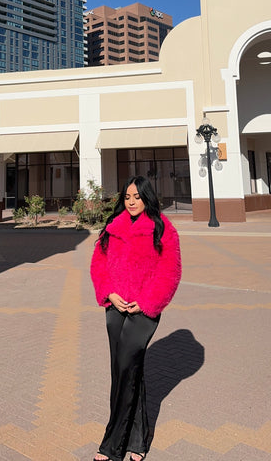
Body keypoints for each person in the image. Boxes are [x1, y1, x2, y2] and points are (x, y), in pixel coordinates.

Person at [90, 175, 182, 461]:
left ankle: (112, 445)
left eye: (137, 197)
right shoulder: (113, 226)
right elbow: (98, 263)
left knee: (126, 367)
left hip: (144, 309)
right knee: (124, 371)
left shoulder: (163, 228)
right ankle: (138, 441)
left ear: (147, 198)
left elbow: (171, 271)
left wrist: (146, 302)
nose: (131, 202)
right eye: (127, 197)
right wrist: (109, 293)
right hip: (115, 306)